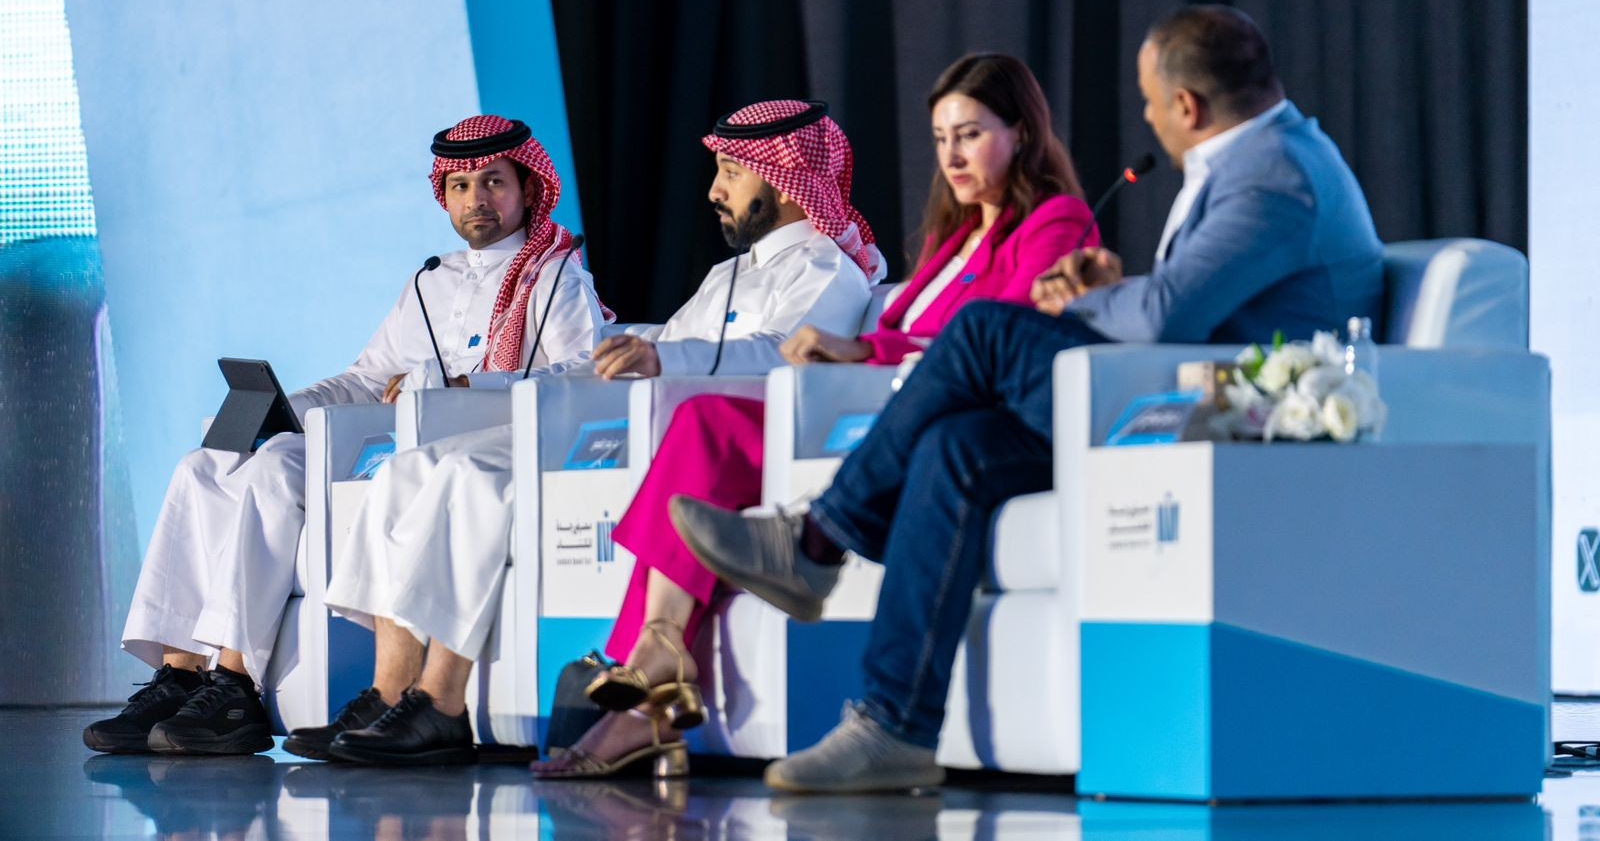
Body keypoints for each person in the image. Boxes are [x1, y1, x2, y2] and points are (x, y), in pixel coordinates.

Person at [671, 4, 1385, 792]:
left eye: (1150, 102)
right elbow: (1182, 303)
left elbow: (1166, 319)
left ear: (1186, 106)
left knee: (983, 331)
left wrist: (1087, 300)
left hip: (1208, 413)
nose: (1148, 118)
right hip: (1161, 391)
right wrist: (1110, 290)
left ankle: (816, 540)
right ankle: (894, 725)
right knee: (953, 448)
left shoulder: (1272, 174)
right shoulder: (1265, 160)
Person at [530, 54, 1098, 780]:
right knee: (701, 424)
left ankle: (699, 640)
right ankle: (658, 650)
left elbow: (997, 338)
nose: (952, 156)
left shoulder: (1049, 222)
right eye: (941, 138)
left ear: (1021, 134)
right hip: (874, 406)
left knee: (708, 419)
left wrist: (860, 350)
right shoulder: (951, 241)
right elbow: (899, 336)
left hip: (911, 414)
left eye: (971, 135)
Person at [297, 99, 881, 766]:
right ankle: (391, 690)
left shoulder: (826, 269)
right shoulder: (730, 275)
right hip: (622, 418)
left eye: (730, 172)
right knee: (408, 468)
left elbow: (784, 353)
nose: (715, 191)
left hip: (682, 438)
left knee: (468, 475)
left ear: (784, 179)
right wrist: (580, 368)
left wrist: (660, 359)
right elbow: (659, 342)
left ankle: (441, 703)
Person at [83, 116, 606, 757]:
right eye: (461, 185)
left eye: (494, 182)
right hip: (386, 439)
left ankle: (236, 686)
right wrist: (284, 407)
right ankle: (181, 674)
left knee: (279, 466)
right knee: (205, 464)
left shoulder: (556, 278)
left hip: (463, 445)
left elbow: (584, 373)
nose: (477, 199)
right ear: (444, 195)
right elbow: (366, 379)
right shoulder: (431, 282)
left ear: (526, 188)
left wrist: (469, 386)